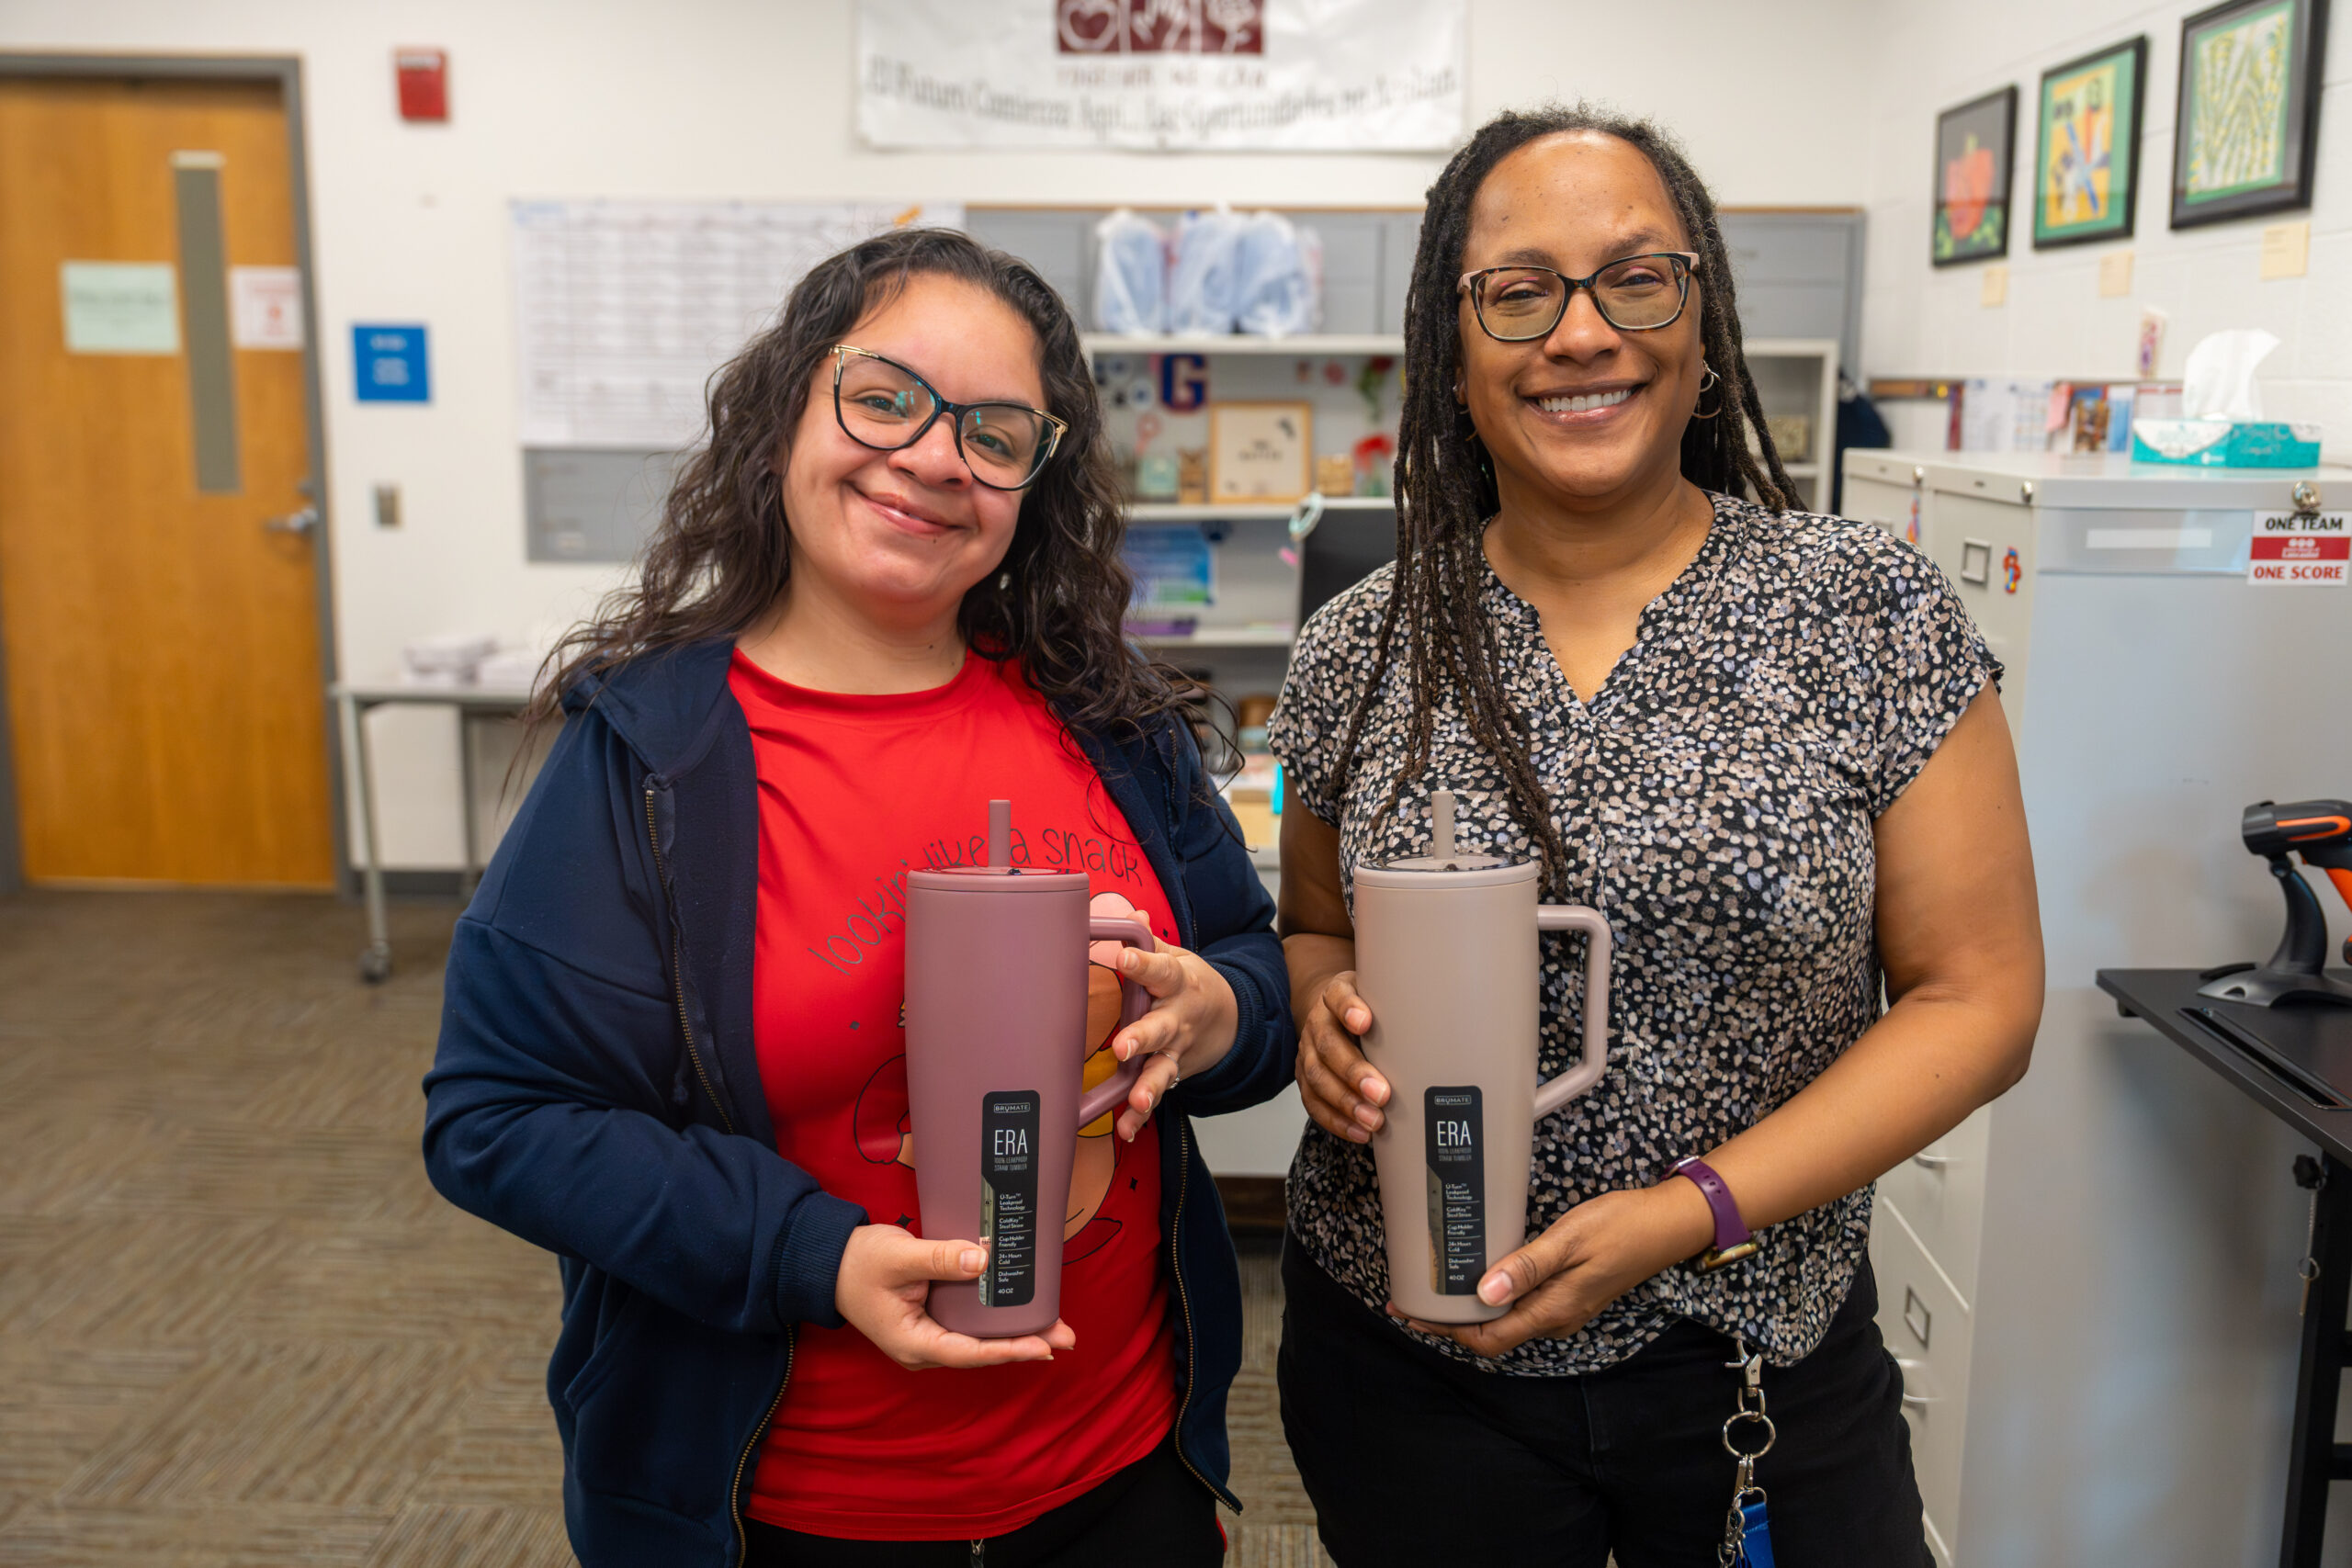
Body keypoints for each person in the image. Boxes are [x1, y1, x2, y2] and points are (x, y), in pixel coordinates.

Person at [424, 227, 1294, 1568]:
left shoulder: (1108, 721)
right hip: (786, 1509)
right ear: (785, 412)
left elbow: (1251, 962)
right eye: (885, 399)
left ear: (1035, 483)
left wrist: (1216, 1011)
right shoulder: (651, 758)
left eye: (996, 435)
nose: (938, 458)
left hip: (1124, 1472)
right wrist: (812, 1256)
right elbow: (502, 1120)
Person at [1269, 105, 2043, 1565]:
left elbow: (1979, 998)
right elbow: (1316, 922)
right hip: (1413, 1365)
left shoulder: (1867, 612)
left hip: (1760, 1351)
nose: (1582, 334)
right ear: (1451, 348)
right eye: (1519, 291)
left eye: (1636, 279)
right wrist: (1323, 1008)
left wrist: (1691, 1212)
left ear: (1702, 324)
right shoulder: (1361, 645)